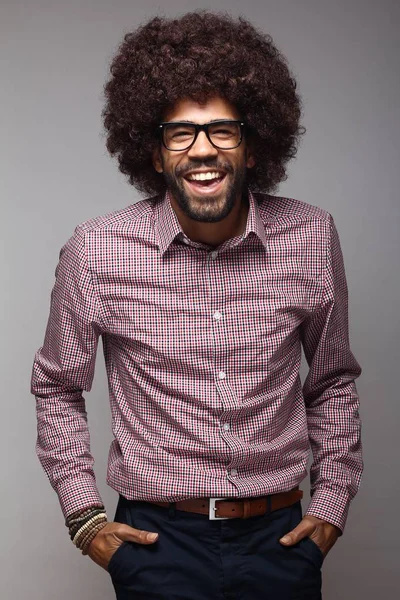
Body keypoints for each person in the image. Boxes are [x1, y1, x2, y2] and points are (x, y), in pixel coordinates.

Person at [30, 10, 363, 600]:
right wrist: (85, 521)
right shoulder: (97, 249)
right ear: (155, 154)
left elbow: (333, 380)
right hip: (155, 547)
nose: (201, 151)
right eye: (180, 133)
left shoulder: (310, 236)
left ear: (254, 145)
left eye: (222, 130)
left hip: (282, 544)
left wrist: (332, 507)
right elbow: (57, 386)